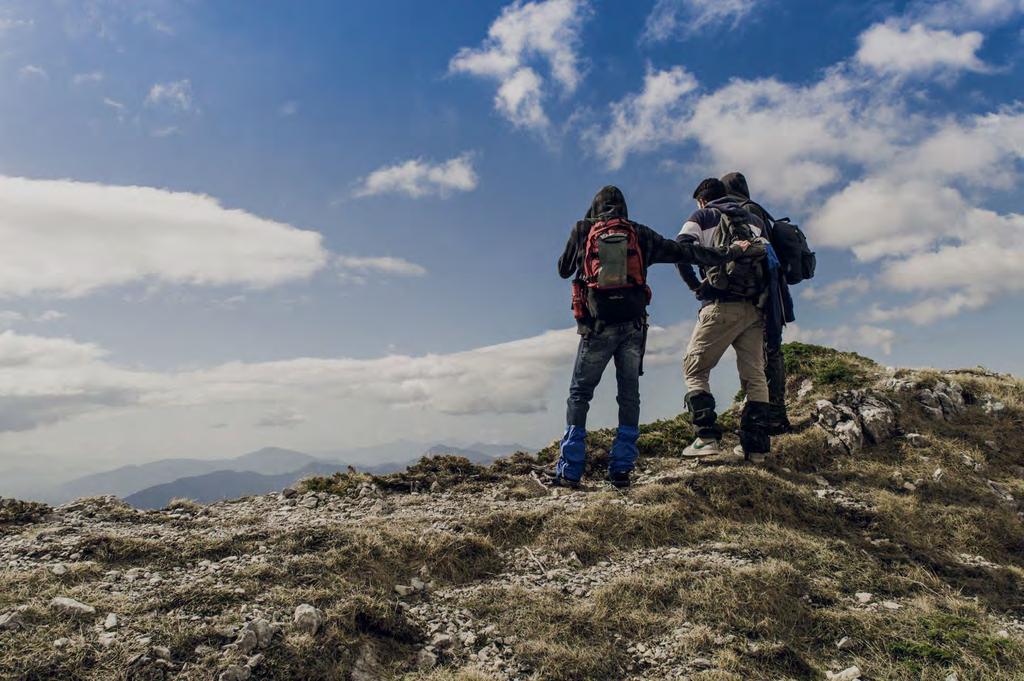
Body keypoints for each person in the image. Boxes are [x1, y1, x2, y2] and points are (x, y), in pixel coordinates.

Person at [554, 185, 745, 489]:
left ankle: (569, 470)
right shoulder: (639, 233)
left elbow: (564, 270)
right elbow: (685, 250)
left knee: (580, 393)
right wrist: (729, 253)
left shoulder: (583, 229)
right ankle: (621, 469)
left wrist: (582, 240)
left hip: (597, 326)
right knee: (628, 395)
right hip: (633, 327)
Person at [676, 178, 772, 462]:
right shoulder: (753, 220)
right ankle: (755, 448)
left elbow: (681, 249)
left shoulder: (702, 216)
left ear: (703, 200)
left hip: (720, 304)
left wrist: (696, 286)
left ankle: (705, 437)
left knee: (694, 368)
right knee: (754, 375)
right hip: (754, 308)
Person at [720, 172, 795, 434]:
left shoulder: (740, 212)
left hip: (759, 295)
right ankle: (774, 414)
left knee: (761, 353)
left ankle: (767, 416)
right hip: (774, 292)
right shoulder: (758, 210)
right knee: (770, 351)